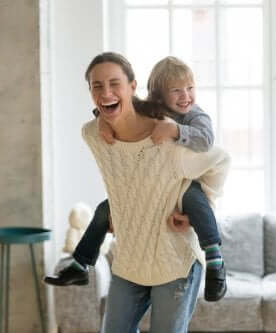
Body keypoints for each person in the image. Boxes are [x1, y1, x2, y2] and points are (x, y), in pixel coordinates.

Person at [66, 52, 230, 332]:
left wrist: (177, 132)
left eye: (189, 89)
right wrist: (102, 119)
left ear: (132, 85)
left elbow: (218, 156)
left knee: (192, 195)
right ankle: (80, 263)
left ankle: (215, 257)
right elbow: (114, 108)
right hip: (130, 262)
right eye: (97, 86)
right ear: (156, 96)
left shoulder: (180, 128)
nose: (185, 96)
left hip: (176, 261)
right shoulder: (99, 133)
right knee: (105, 210)